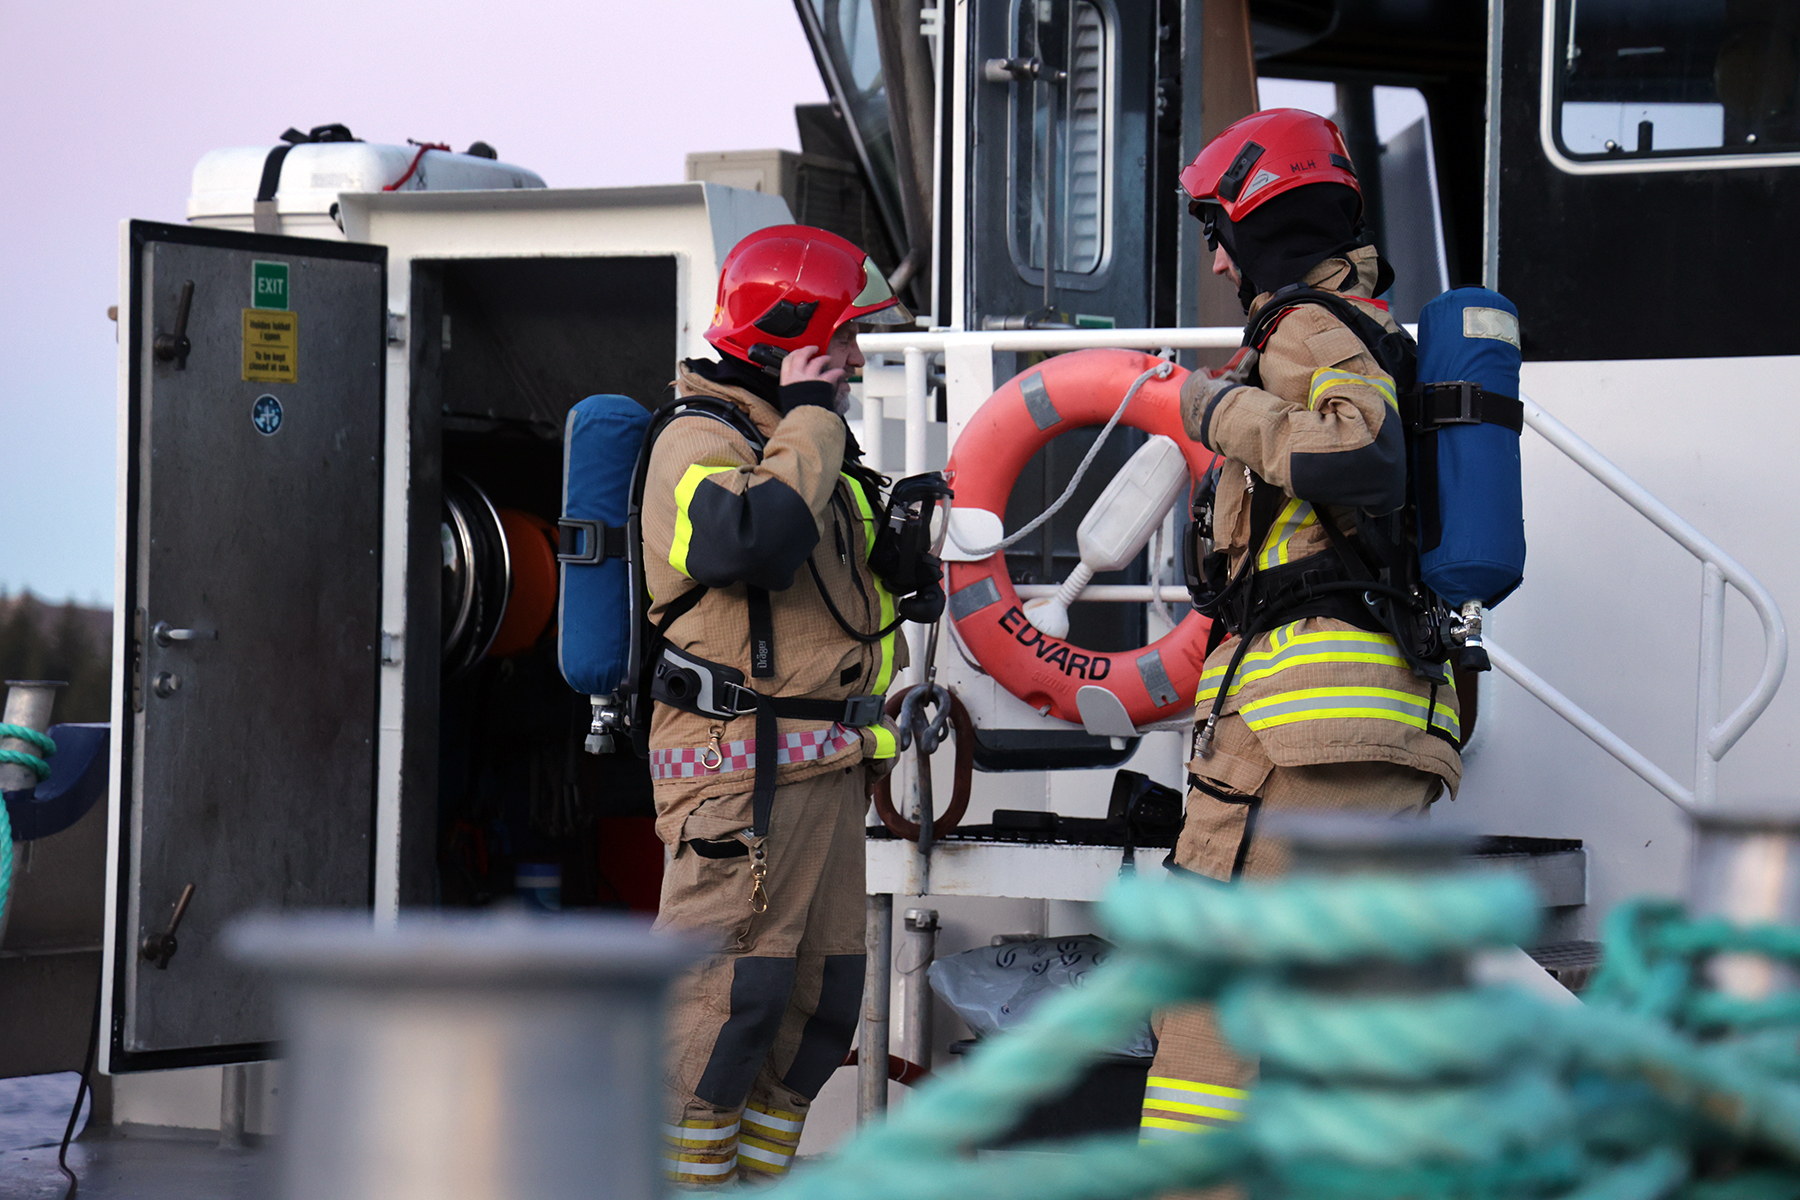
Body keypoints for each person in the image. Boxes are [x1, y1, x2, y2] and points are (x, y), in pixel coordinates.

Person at [1140, 110, 1462, 1143]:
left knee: (1207, 1012)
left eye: (1218, 236)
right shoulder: (1376, 333)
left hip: (1298, 735)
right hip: (1395, 721)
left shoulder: (1303, 328)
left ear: (1252, 224)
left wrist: (1209, 408)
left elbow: (1358, 457)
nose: (1220, 265)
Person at [643, 224, 915, 1186]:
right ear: (790, 336)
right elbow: (747, 540)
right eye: (845, 339)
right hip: (734, 782)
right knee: (724, 1006)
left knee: (816, 1008)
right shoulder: (696, 441)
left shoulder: (806, 449)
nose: (856, 361)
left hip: (823, 779)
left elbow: (846, 599)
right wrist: (811, 414)